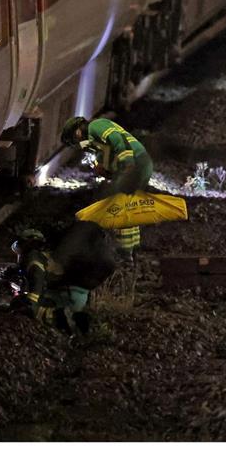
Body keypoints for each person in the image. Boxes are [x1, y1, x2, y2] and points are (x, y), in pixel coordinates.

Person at [61, 116, 153, 262]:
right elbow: (109, 162)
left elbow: (117, 139)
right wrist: (105, 172)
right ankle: (132, 250)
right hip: (138, 164)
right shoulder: (96, 147)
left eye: (75, 142)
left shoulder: (96, 126)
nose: (79, 146)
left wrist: (128, 163)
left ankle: (125, 254)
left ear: (78, 132)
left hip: (135, 163)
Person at [10, 222, 117, 334]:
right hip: (77, 293)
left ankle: (70, 326)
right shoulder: (47, 256)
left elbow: (37, 278)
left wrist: (32, 302)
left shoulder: (34, 259)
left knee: (38, 310)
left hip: (69, 294)